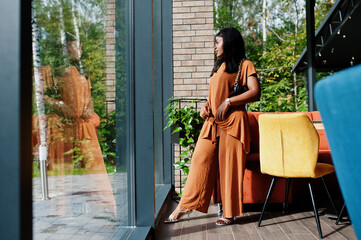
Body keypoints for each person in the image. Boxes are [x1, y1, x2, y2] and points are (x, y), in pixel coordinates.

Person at [165, 27, 260, 225]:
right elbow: (215, 94)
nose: (214, 46)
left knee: (230, 169)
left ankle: (229, 213)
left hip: (234, 122)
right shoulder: (219, 66)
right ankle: (185, 206)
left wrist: (229, 102)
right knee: (200, 160)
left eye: (218, 42)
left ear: (229, 42)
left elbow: (255, 92)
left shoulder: (245, 65)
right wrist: (207, 105)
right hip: (213, 122)